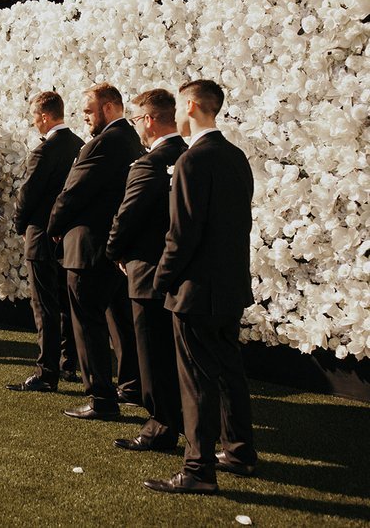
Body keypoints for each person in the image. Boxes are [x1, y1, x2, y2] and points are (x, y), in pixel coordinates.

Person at [145, 80, 258, 495]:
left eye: (177, 106)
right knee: (229, 372)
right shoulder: (236, 157)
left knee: (196, 381)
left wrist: (161, 280)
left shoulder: (193, 160)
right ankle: (240, 451)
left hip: (196, 289)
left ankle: (198, 469)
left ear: (191, 106)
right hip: (230, 286)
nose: (174, 114)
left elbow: (182, 233)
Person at [47, 83, 144, 419]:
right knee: (119, 320)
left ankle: (102, 398)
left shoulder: (104, 143)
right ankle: (132, 386)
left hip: (88, 247)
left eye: (88, 110)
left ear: (108, 108)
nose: (84, 117)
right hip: (116, 248)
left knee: (88, 322)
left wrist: (54, 227)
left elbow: (73, 192)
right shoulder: (132, 139)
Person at [106, 89, 187, 451]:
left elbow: (128, 214)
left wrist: (114, 252)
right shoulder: (189, 156)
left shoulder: (147, 163)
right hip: (182, 270)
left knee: (152, 355)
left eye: (138, 119)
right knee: (176, 354)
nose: (137, 126)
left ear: (150, 121)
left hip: (146, 270)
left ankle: (160, 425)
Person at [7, 92, 84, 393]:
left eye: (34, 115)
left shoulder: (44, 151)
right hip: (69, 234)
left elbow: (28, 194)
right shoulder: (80, 145)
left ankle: (46, 371)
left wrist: (19, 225)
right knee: (66, 302)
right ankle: (68, 363)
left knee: (44, 304)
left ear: (45, 116)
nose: (33, 121)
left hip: (40, 233)